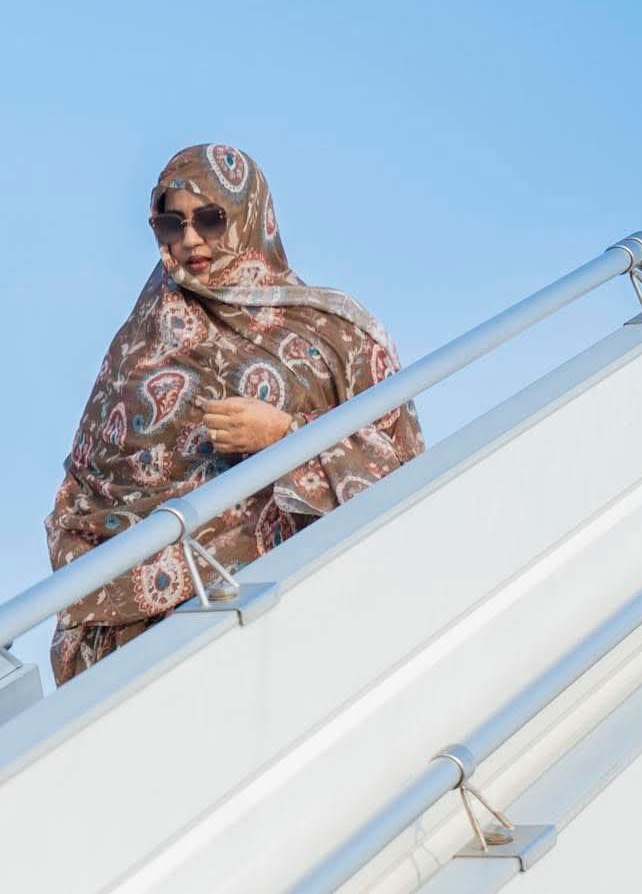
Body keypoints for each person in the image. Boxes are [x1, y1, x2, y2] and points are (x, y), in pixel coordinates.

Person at [45, 144, 424, 686]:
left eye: (209, 219)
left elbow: (404, 469)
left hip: (298, 610)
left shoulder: (333, 334)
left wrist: (285, 436)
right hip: (153, 636)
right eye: (171, 224)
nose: (190, 240)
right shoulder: (140, 342)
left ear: (249, 216)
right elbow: (86, 488)